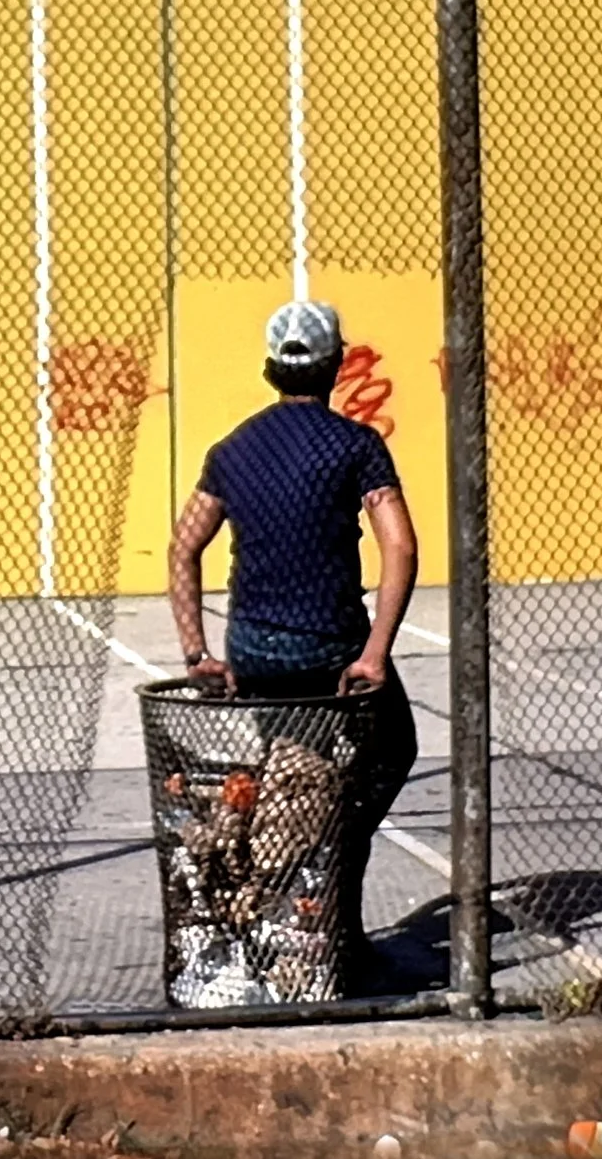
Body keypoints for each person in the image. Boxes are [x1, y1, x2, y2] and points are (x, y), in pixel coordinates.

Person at [167, 300, 421, 989]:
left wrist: (198, 653)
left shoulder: (233, 450)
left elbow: (184, 546)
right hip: (330, 650)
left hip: (254, 654)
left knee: (288, 772)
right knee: (391, 752)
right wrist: (373, 651)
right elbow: (399, 542)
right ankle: (327, 904)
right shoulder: (356, 444)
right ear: (337, 364)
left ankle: (282, 903)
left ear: (271, 367)